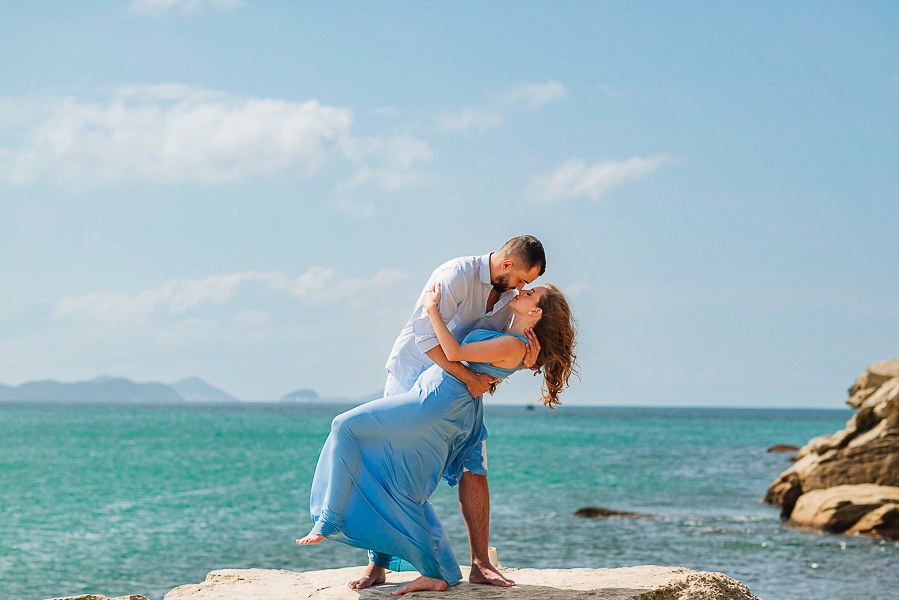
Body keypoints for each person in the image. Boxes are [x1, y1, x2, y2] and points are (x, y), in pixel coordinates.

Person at [297, 282, 578, 596]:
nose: (521, 292)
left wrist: (431, 309)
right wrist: (524, 362)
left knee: (344, 425)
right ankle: (435, 572)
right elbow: (489, 362)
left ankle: (331, 518)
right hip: (438, 400)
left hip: (432, 404)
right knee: (401, 483)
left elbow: (454, 352)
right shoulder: (513, 341)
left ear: (536, 312)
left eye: (530, 294)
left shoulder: (514, 344)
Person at [371, 235, 546, 590]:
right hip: (412, 378)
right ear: (507, 264)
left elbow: (492, 353)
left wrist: (525, 361)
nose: (522, 287)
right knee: (394, 468)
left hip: (461, 393)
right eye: (522, 279)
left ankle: (480, 564)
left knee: (474, 466)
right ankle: (377, 564)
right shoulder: (455, 275)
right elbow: (425, 338)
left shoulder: (510, 300)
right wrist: (471, 378)